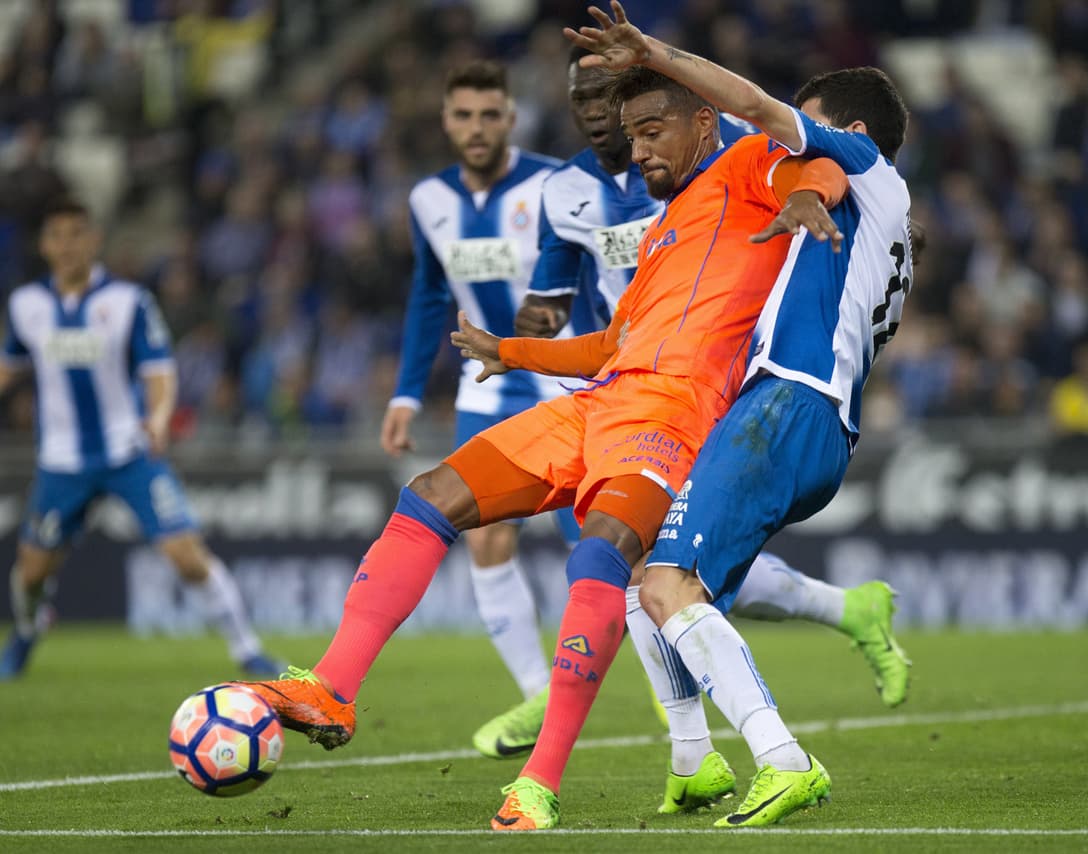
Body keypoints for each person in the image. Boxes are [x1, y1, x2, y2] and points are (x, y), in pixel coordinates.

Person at [233, 66, 850, 833]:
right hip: (601, 400)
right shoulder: (666, 226)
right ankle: (330, 687)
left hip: (675, 411)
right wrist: (513, 351)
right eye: (632, 139)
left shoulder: (747, 159)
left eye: (653, 133)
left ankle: (538, 784)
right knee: (433, 493)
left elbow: (825, 163)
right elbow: (610, 344)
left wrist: (804, 197)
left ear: (700, 122)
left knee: (600, 555)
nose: (640, 152)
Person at [562, 2, 916, 827]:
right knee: (652, 576)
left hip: (788, 403)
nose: (789, 147)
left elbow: (753, 109)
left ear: (853, 130)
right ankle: (694, 759)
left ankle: (784, 760)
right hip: (812, 418)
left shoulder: (858, 165)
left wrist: (654, 52)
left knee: (667, 583)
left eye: (810, 127)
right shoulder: (885, 219)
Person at [375, 59, 589, 761]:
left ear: (510, 118)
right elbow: (428, 297)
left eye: (488, 114)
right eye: (463, 115)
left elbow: (595, 274)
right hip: (485, 391)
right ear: (445, 121)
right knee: (485, 539)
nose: (476, 128)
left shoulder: (557, 183)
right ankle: (536, 692)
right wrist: (407, 393)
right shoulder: (428, 199)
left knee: (602, 546)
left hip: (568, 384)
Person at [0, 198, 281, 680]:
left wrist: (159, 416)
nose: (66, 246)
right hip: (61, 462)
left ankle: (248, 650)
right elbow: (9, 365)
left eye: (76, 234)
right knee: (30, 573)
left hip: (128, 451)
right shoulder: (27, 306)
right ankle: (27, 633)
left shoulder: (128, 301)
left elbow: (158, 369)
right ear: (44, 245)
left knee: (186, 556)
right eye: (56, 236)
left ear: (95, 240)